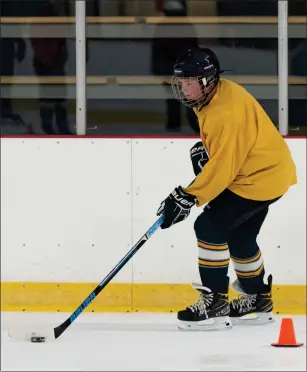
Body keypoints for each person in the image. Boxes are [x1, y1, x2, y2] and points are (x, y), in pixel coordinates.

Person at [156, 48, 297, 331]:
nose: (183, 87)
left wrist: (188, 196)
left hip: (257, 179)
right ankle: (258, 298)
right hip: (266, 171)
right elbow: (228, 153)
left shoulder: (224, 112)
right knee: (240, 235)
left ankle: (216, 303)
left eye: (189, 81)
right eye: (181, 81)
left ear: (207, 81)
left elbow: (223, 168)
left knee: (208, 227)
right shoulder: (218, 94)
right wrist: (208, 154)